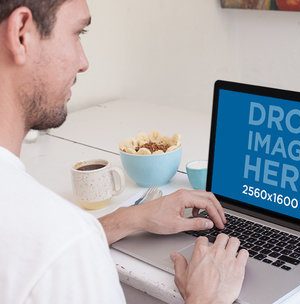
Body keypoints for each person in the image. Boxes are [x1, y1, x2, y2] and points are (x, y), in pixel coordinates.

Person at [0, 0, 248, 303]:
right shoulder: (62, 243)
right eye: (78, 33)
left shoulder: (50, 239)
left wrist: (126, 220)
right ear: (21, 33)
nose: (83, 61)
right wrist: (205, 300)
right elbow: (55, 252)